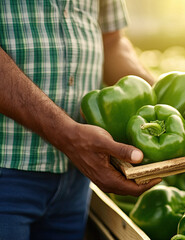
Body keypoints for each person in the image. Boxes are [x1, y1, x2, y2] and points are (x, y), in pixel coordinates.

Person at [0, 0, 161, 239]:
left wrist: (164, 99)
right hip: (7, 169)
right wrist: (65, 134)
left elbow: (112, 41)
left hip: (77, 178)